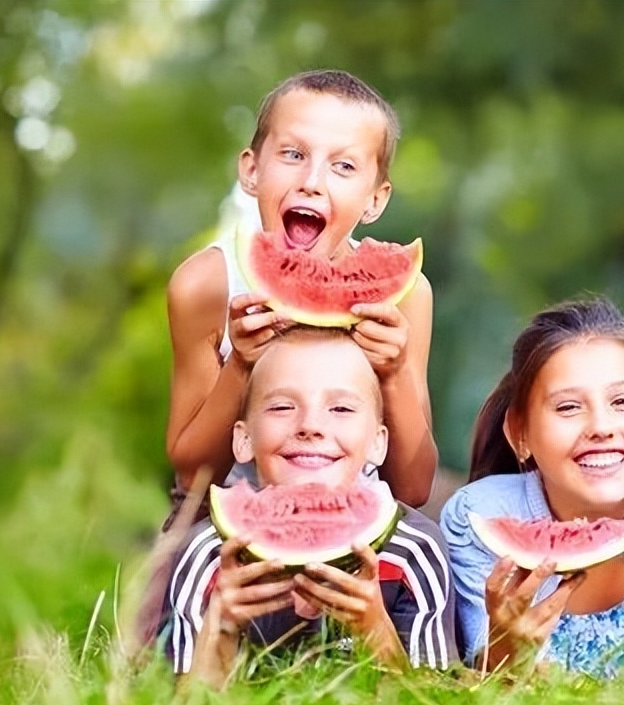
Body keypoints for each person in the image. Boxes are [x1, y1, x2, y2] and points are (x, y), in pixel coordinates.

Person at [165, 69, 437, 513]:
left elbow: (415, 487)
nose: (312, 181)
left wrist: (394, 372)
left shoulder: (406, 296)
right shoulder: (206, 284)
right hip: (229, 515)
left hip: (359, 516)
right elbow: (192, 478)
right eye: (293, 154)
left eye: (344, 166)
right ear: (251, 171)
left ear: (375, 199)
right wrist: (240, 366)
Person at [439, 298, 624, 677]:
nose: (601, 426)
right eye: (568, 408)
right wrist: (506, 654)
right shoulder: (476, 519)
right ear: (520, 433)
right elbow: (496, 690)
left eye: (622, 401)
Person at [163, 327, 457, 688]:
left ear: (379, 444)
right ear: (243, 439)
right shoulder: (207, 552)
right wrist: (220, 630)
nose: (311, 426)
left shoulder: (415, 550)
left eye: (341, 408)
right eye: (283, 407)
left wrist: (375, 630)